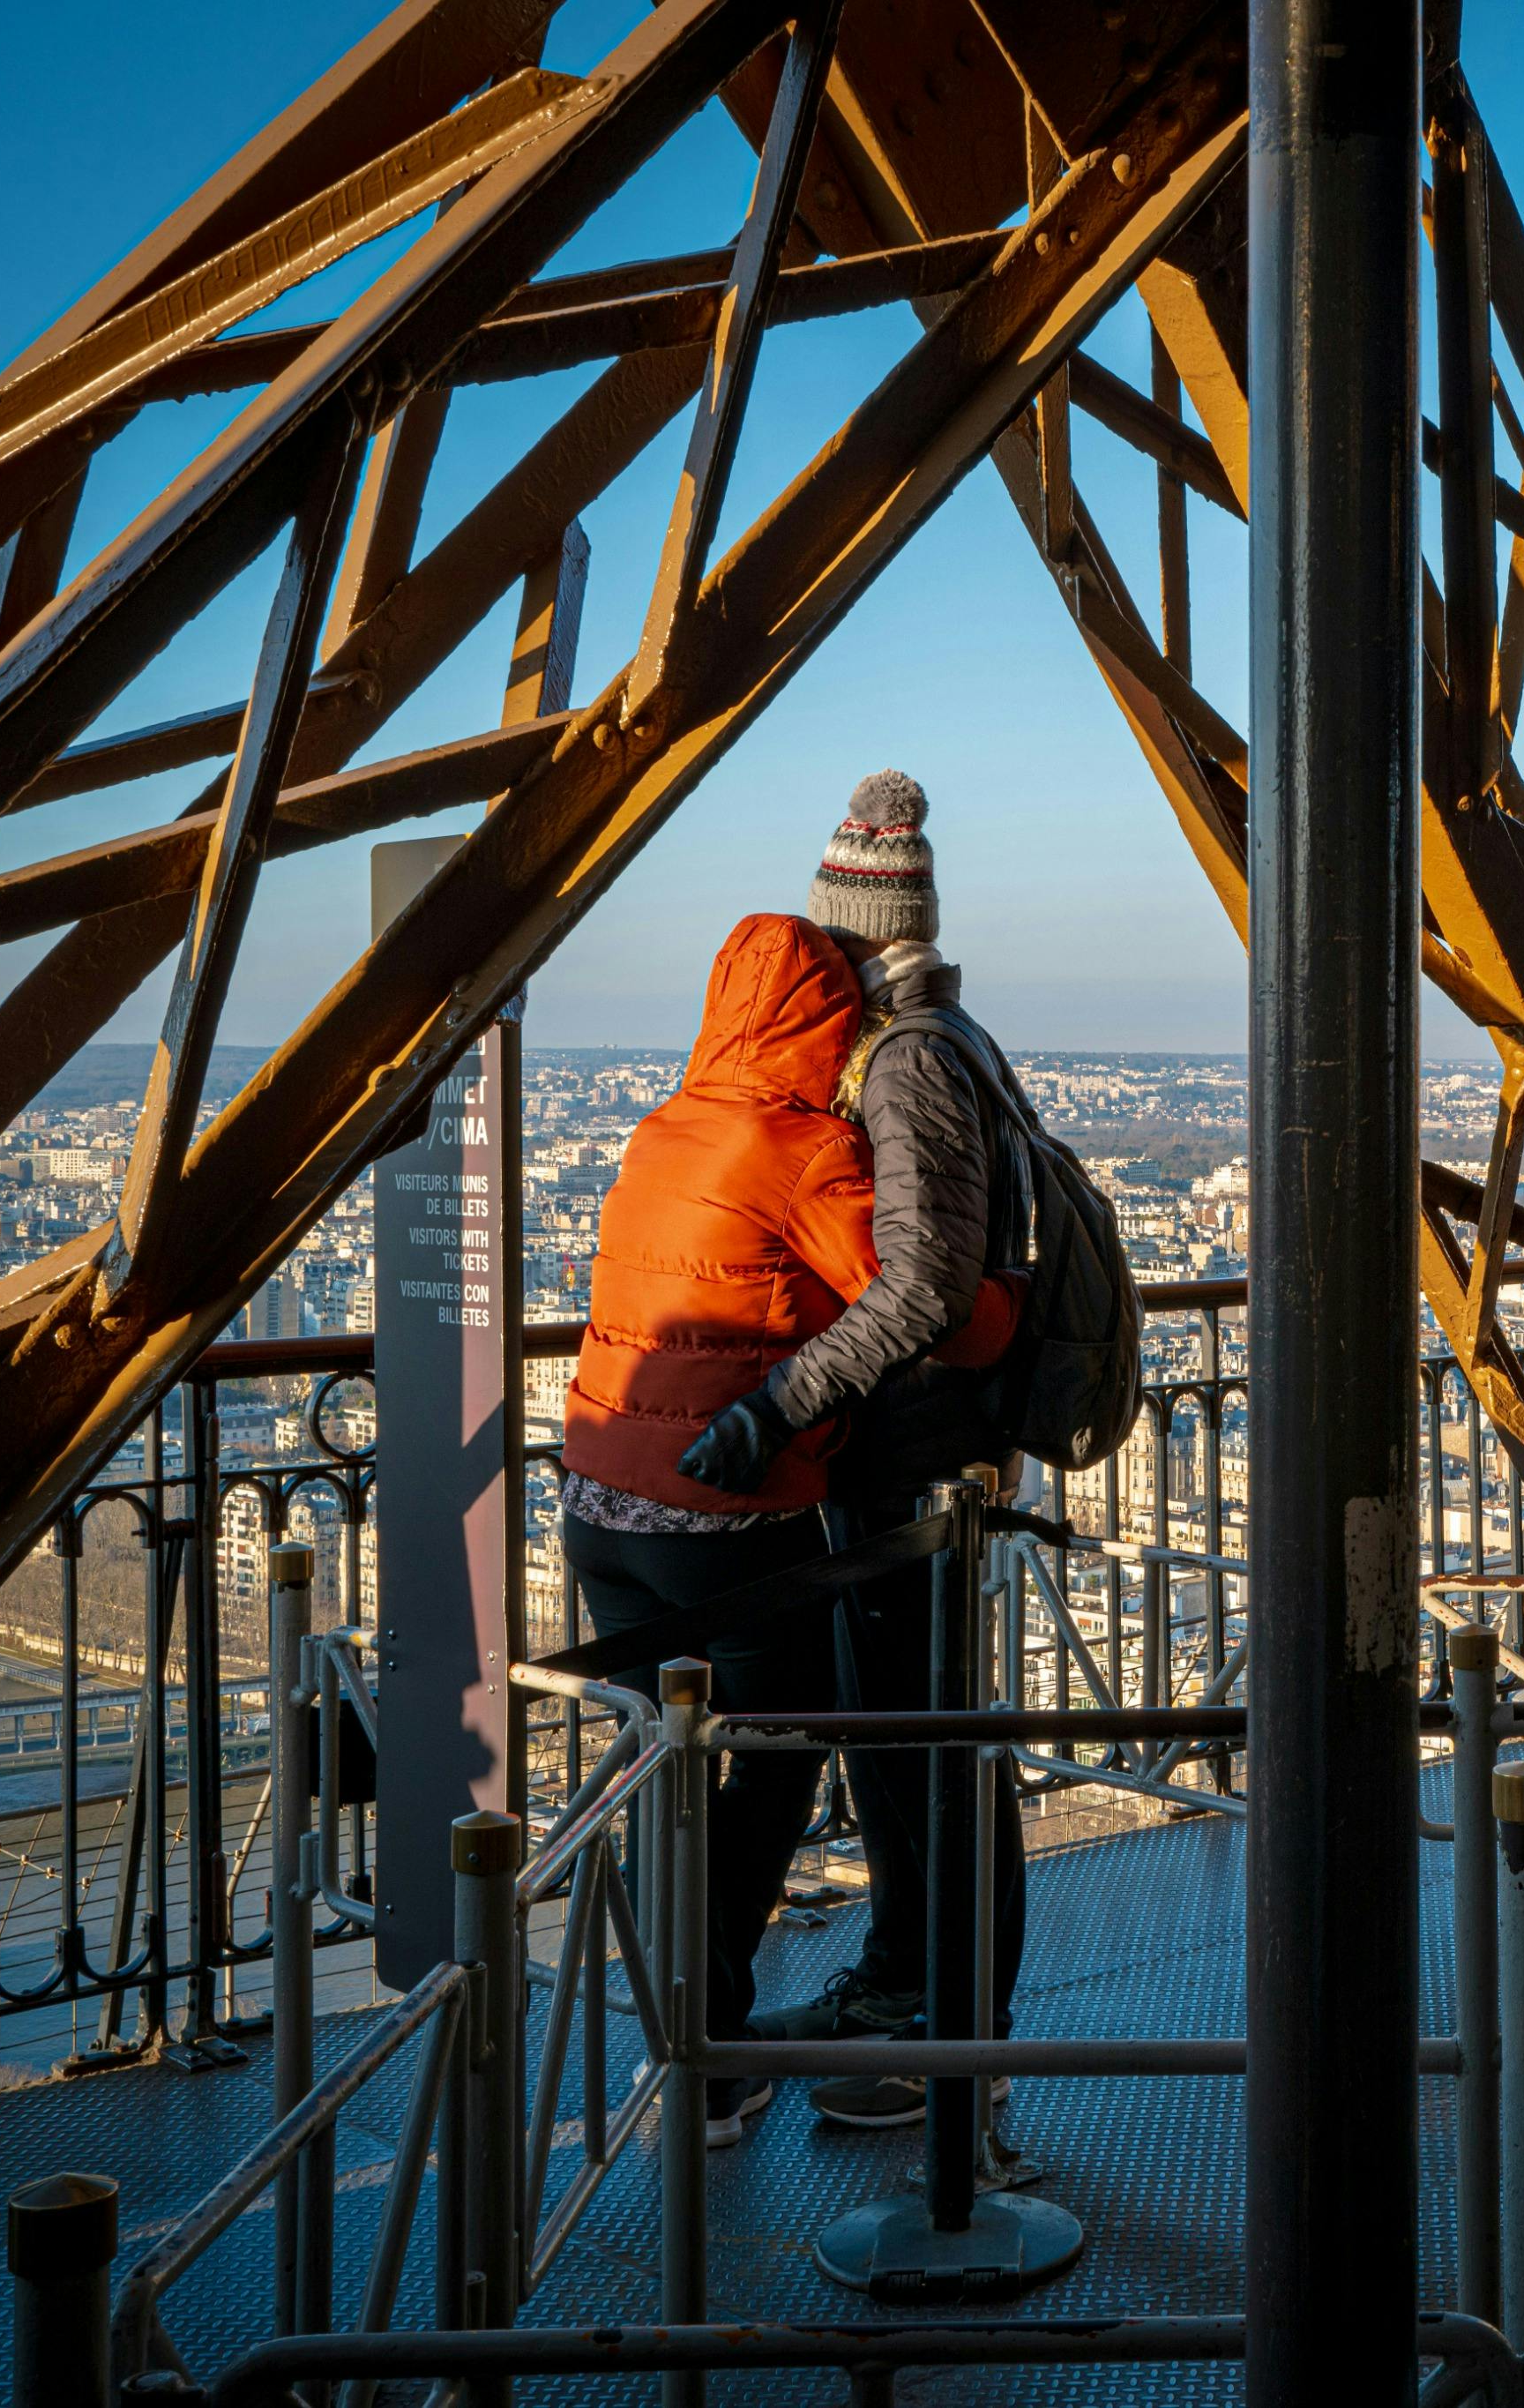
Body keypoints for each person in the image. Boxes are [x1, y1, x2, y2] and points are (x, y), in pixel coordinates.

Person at [678, 769, 1034, 2132]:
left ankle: (931, 2030)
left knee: (917, 1746)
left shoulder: (907, 1060)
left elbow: (926, 1281)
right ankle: (921, 2000)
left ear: (852, 939)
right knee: (923, 1741)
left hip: (913, 1460)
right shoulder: (952, 1040)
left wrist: (780, 1401)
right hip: (932, 1452)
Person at [557, 910, 881, 2147]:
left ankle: (682, 2043)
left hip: (600, 1502)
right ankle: (708, 2040)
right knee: (785, 1742)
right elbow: (909, 1299)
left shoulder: (660, 1128)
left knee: (666, 1769)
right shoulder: (806, 1148)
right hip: (722, 1513)